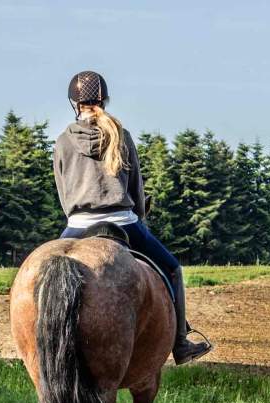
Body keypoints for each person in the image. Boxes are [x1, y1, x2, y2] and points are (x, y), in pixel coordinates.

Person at [53, 71, 211, 365]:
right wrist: (138, 212)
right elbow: (136, 187)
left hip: (77, 225)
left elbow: (64, 192)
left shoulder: (63, 140)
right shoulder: (120, 135)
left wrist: (76, 214)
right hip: (123, 221)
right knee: (173, 269)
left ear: (74, 104)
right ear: (105, 100)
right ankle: (180, 344)